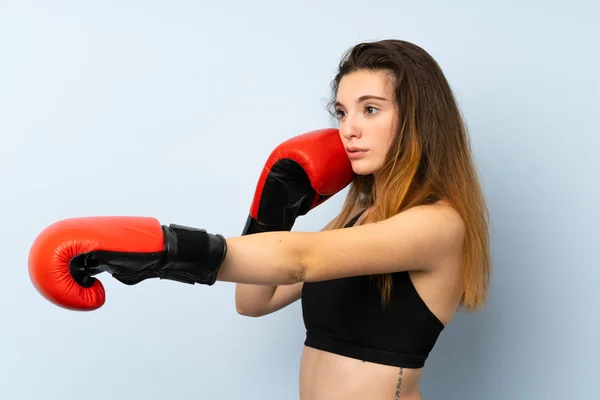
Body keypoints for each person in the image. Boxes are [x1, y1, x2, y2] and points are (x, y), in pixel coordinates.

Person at [29, 39, 491, 400]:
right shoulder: (359, 221)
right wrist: (273, 212)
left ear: (417, 120)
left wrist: (164, 253)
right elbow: (253, 301)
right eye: (343, 112)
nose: (348, 128)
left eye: (371, 109)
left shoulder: (438, 224)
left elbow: (300, 261)